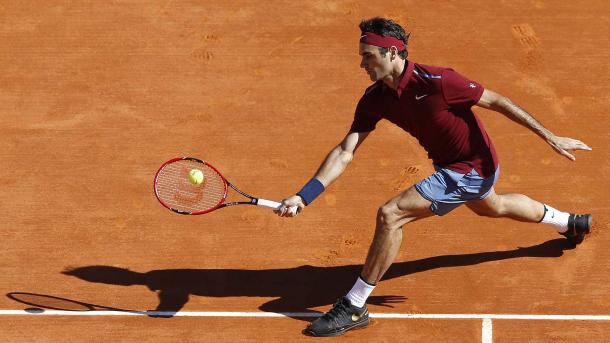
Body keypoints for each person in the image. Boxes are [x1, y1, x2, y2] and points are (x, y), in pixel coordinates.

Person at [275, 17, 592, 337]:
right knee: (493, 207)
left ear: (392, 53)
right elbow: (345, 151)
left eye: (368, 56)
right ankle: (568, 222)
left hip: (473, 166)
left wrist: (550, 136)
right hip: (451, 166)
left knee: (391, 215)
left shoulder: (439, 81)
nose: (361, 64)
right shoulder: (376, 98)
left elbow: (497, 100)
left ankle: (355, 306)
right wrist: (305, 195)